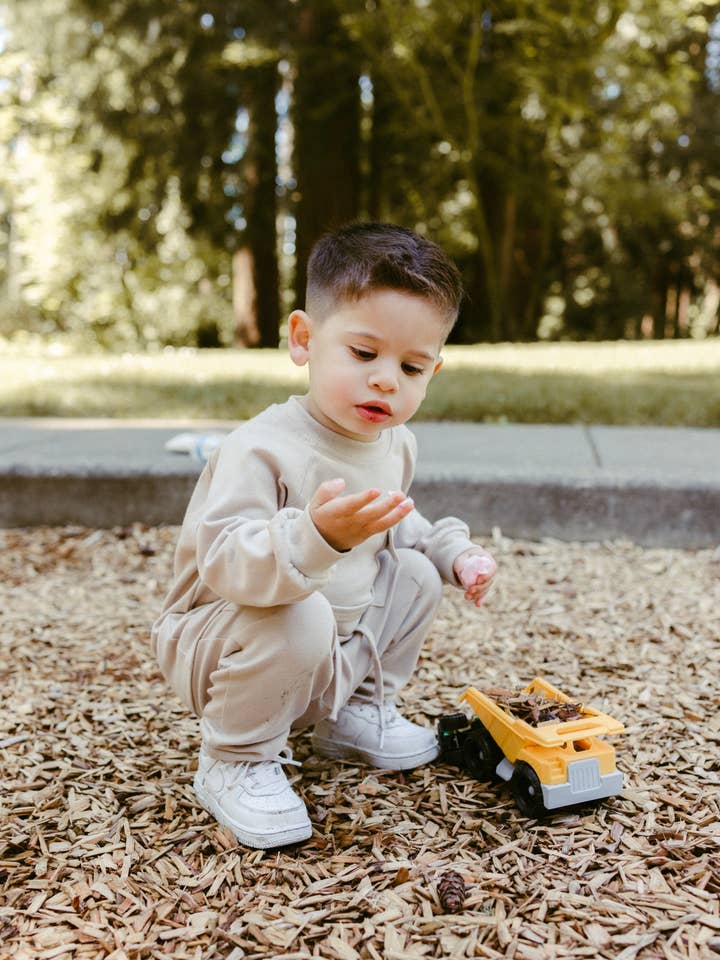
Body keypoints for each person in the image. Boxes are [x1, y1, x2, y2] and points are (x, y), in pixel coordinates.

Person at [151, 222, 497, 849]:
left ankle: (352, 715)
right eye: (364, 354)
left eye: (412, 366)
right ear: (304, 339)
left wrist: (454, 552)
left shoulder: (394, 443)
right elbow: (226, 561)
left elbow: (402, 523)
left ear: (434, 370)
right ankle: (235, 757)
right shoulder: (261, 447)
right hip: (224, 640)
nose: (387, 379)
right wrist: (315, 537)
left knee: (413, 575)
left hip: (326, 652)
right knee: (301, 612)